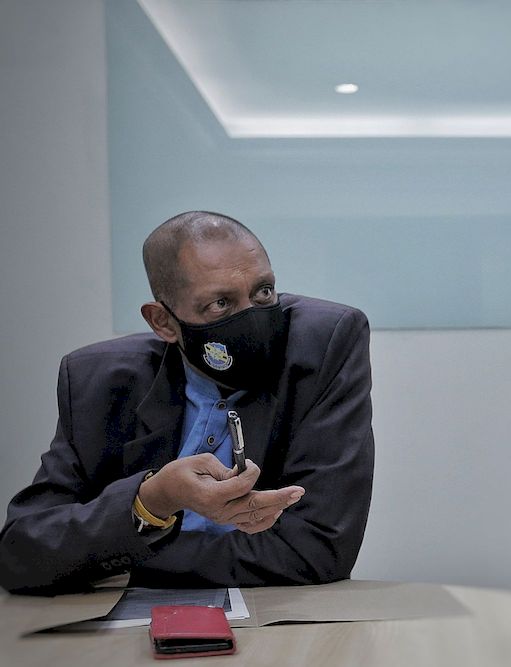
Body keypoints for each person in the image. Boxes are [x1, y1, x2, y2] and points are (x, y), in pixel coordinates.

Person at [0, 211, 375, 594]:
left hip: (276, 618)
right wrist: (153, 499)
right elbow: (23, 553)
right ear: (163, 322)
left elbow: (316, 552)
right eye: (220, 304)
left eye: (263, 291)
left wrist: (118, 548)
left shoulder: (322, 346)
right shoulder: (98, 382)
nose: (253, 316)